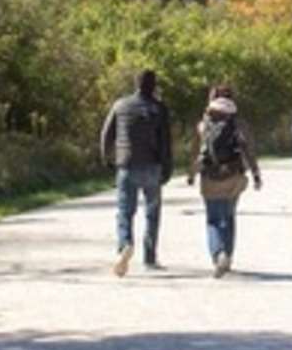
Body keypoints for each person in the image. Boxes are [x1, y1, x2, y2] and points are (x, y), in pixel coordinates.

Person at [100, 69, 173, 277]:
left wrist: (107, 158)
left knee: (125, 210)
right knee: (152, 213)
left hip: (126, 164)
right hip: (152, 165)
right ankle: (149, 257)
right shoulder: (159, 109)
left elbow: (106, 134)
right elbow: (166, 142)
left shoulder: (121, 105)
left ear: (136, 84)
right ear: (154, 85)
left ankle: (125, 245)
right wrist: (167, 168)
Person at [186, 86, 262, 278]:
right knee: (228, 216)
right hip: (233, 175)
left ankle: (218, 253)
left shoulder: (203, 124)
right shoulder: (239, 124)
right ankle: (227, 255)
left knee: (213, 219)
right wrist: (255, 174)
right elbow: (249, 151)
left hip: (210, 177)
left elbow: (196, 152)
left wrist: (191, 174)